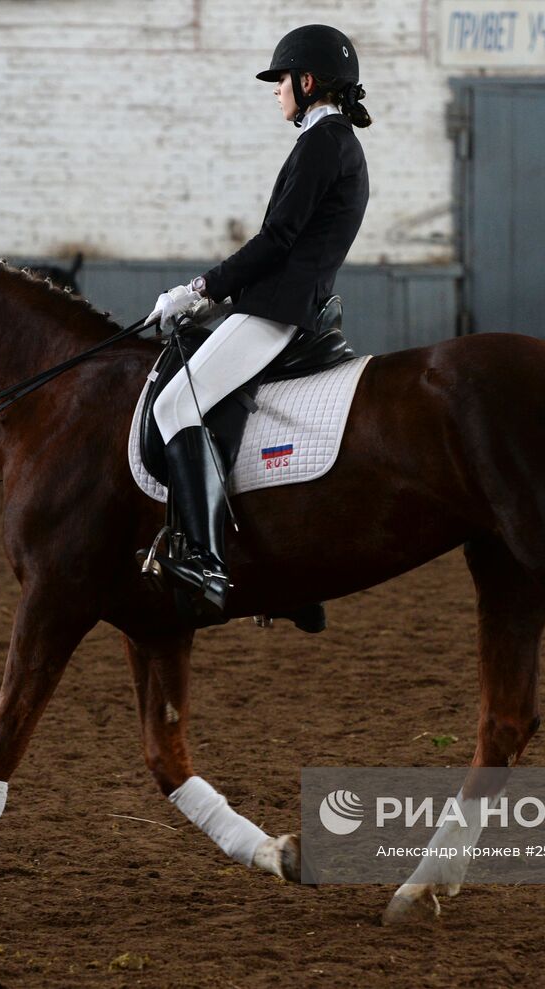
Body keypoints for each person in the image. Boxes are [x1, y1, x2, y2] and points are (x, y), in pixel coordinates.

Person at [146, 24, 371, 619]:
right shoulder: (331, 142)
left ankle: (206, 559)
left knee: (174, 406)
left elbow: (277, 241)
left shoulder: (324, 143)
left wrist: (198, 290)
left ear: (306, 81)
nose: (275, 93)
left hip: (279, 311)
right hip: (284, 301)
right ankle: (284, 568)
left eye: (280, 82)